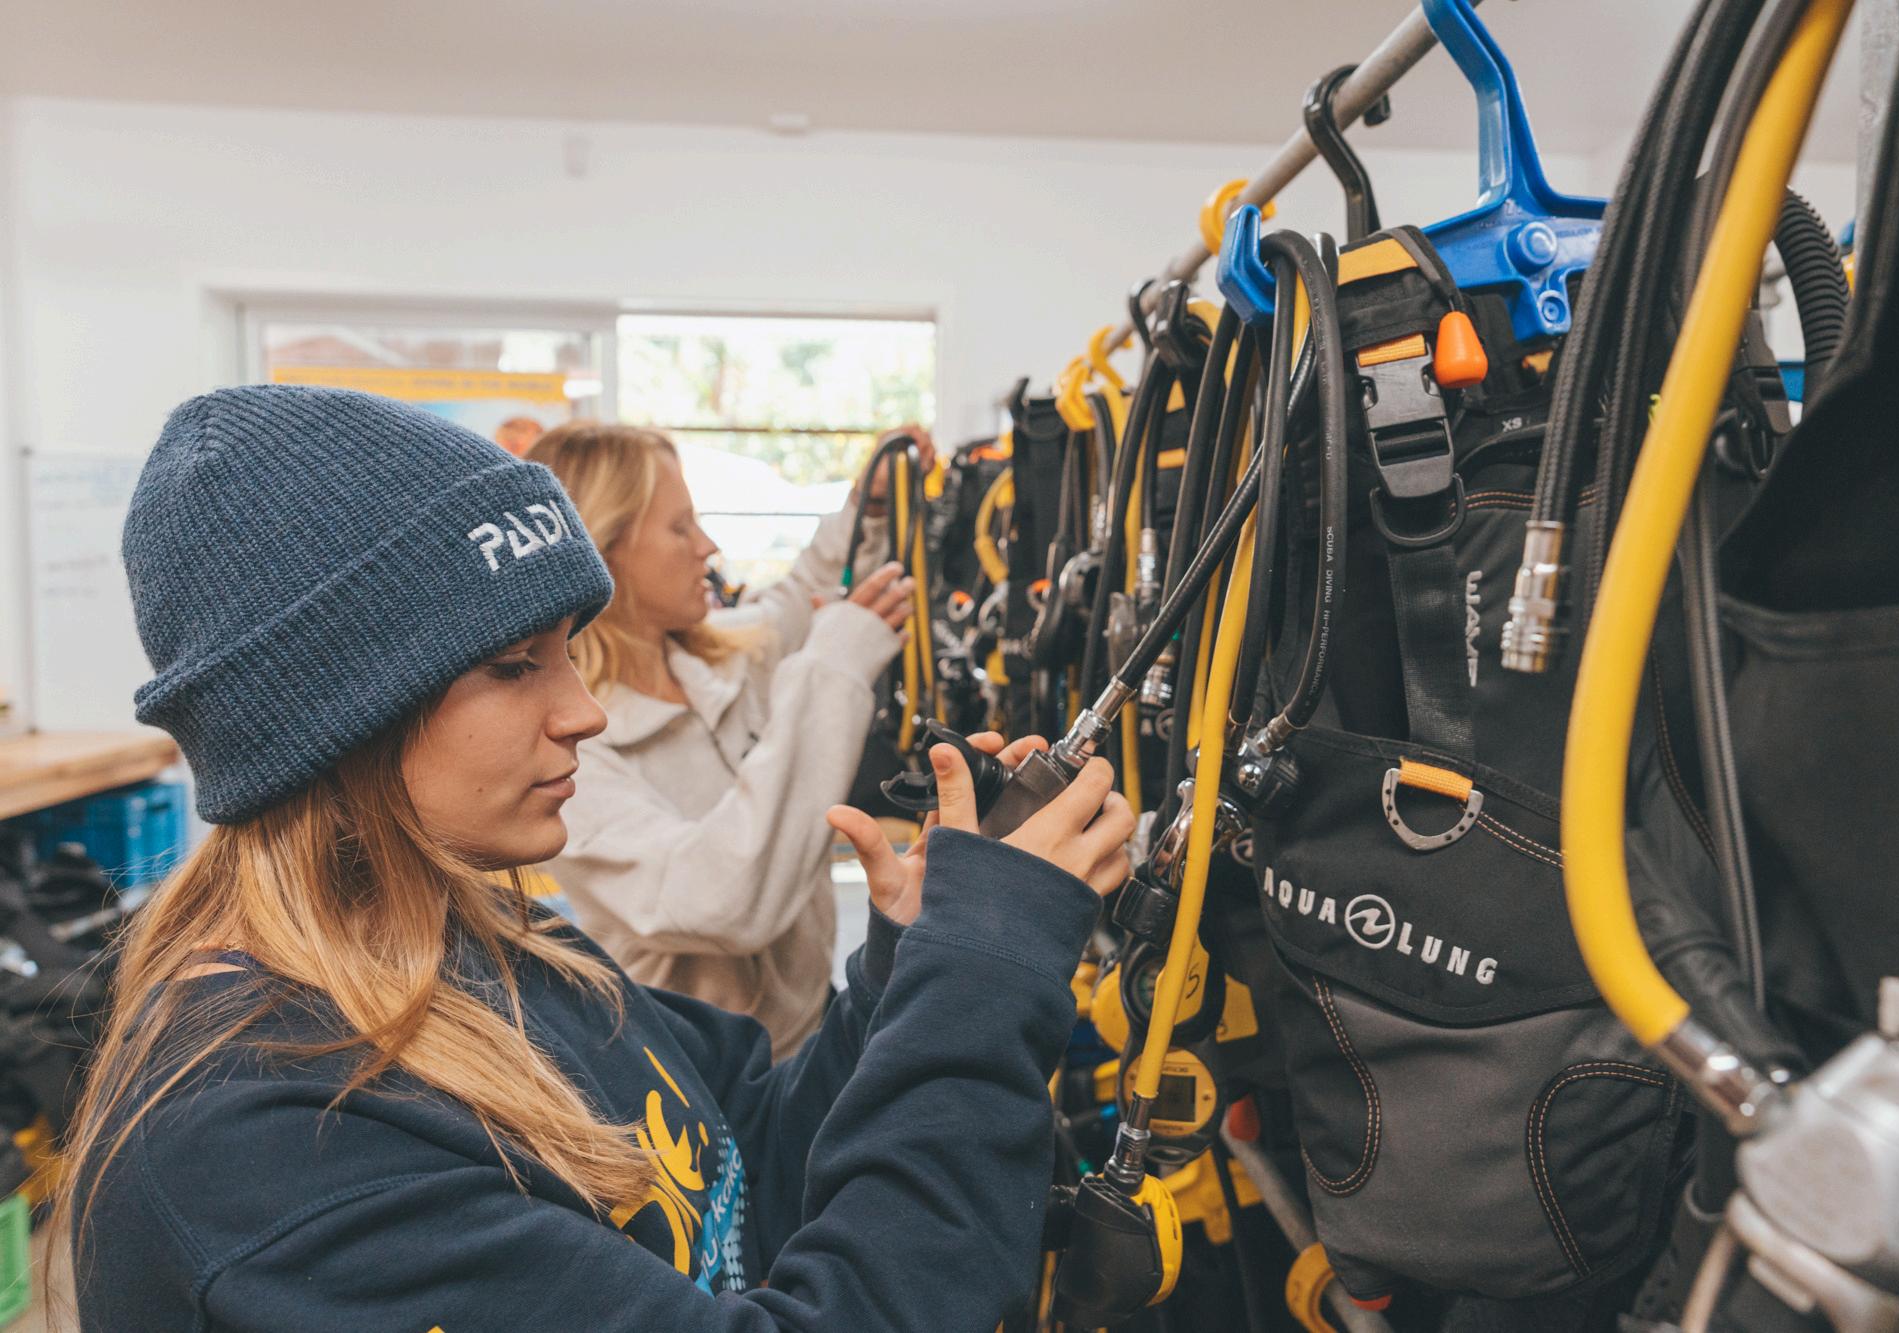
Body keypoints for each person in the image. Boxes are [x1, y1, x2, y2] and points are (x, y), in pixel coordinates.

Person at [62, 385, 1136, 1331]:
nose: (583, 710)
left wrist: (913, 956)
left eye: (569, 651)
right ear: (335, 717)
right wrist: (983, 981)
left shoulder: (505, 946)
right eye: (514, 664)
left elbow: (753, 1160)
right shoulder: (268, 1141)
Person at [527, 421, 930, 1058]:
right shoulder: (570, 753)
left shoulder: (719, 662)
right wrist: (832, 667)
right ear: (603, 551)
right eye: (680, 527)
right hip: (696, 1075)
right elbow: (723, 901)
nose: (707, 547)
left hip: (809, 1025)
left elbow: (803, 593)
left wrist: (868, 506)